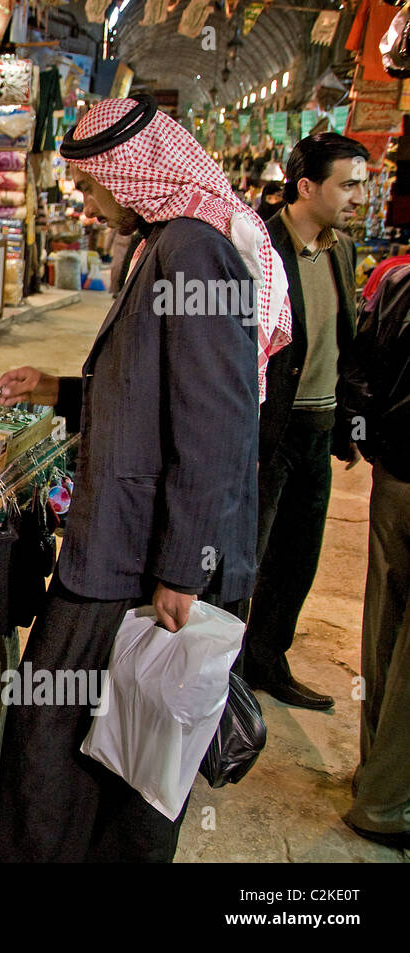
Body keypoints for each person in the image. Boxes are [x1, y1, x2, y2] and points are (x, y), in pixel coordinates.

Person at [0, 95, 287, 862]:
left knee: (72, 730)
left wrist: (184, 569)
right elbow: (153, 389)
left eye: (91, 188)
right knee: (88, 730)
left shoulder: (192, 248)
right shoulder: (167, 240)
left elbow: (217, 424)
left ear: (131, 176)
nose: (88, 205)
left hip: (141, 555)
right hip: (125, 543)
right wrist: (58, 390)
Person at [237, 134, 366, 710]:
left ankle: (267, 659)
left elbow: (345, 339)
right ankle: (225, 670)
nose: (357, 196)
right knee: (247, 556)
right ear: (307, 186)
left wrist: (350, 420)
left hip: (318, 426)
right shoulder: (258, 246)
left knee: (298, 557)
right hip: (270, 430)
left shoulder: (341, 249)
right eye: (348, 184)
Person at [335, 258, 410, 848]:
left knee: (386, 622)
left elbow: (360, 370)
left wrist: (372, 439)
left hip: (396, 474)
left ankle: (375, 777)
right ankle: (388, 803)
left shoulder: (396, 279)